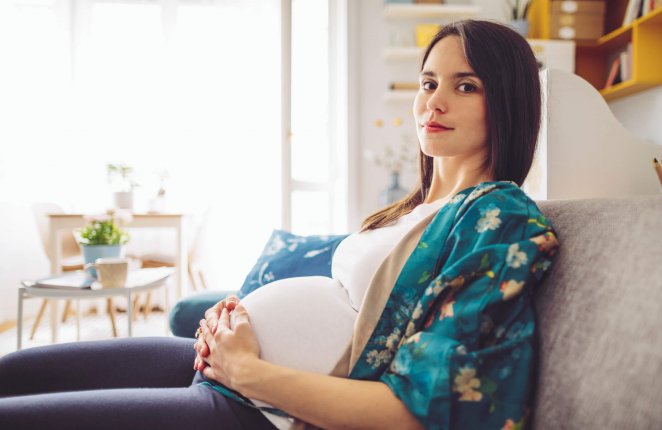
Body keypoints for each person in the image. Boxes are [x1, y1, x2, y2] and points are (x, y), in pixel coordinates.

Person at [0, 20, 558, 430]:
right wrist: (232, 324)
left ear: (506, 102)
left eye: (466, 86)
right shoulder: (412, 209)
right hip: (218, 371)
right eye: (428, 82)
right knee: (12, 374)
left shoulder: (498, 218)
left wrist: (247, 370)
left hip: (257, 410)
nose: (433, 102)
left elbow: (421, 411)